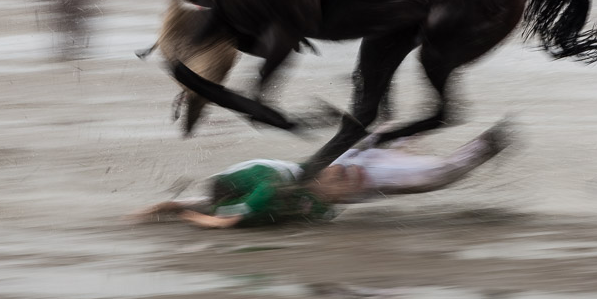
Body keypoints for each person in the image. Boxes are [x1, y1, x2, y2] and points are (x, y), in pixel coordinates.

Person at [131, 117, 512, 228]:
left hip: (354, 167)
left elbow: (217, 218)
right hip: (351, 172)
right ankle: (488, 139)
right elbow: (196, 206)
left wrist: (184, 215)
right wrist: (156, 213)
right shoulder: (256, 191)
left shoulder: (267, 187)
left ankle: (459, 128)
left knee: (433, 173)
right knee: (433, 172)